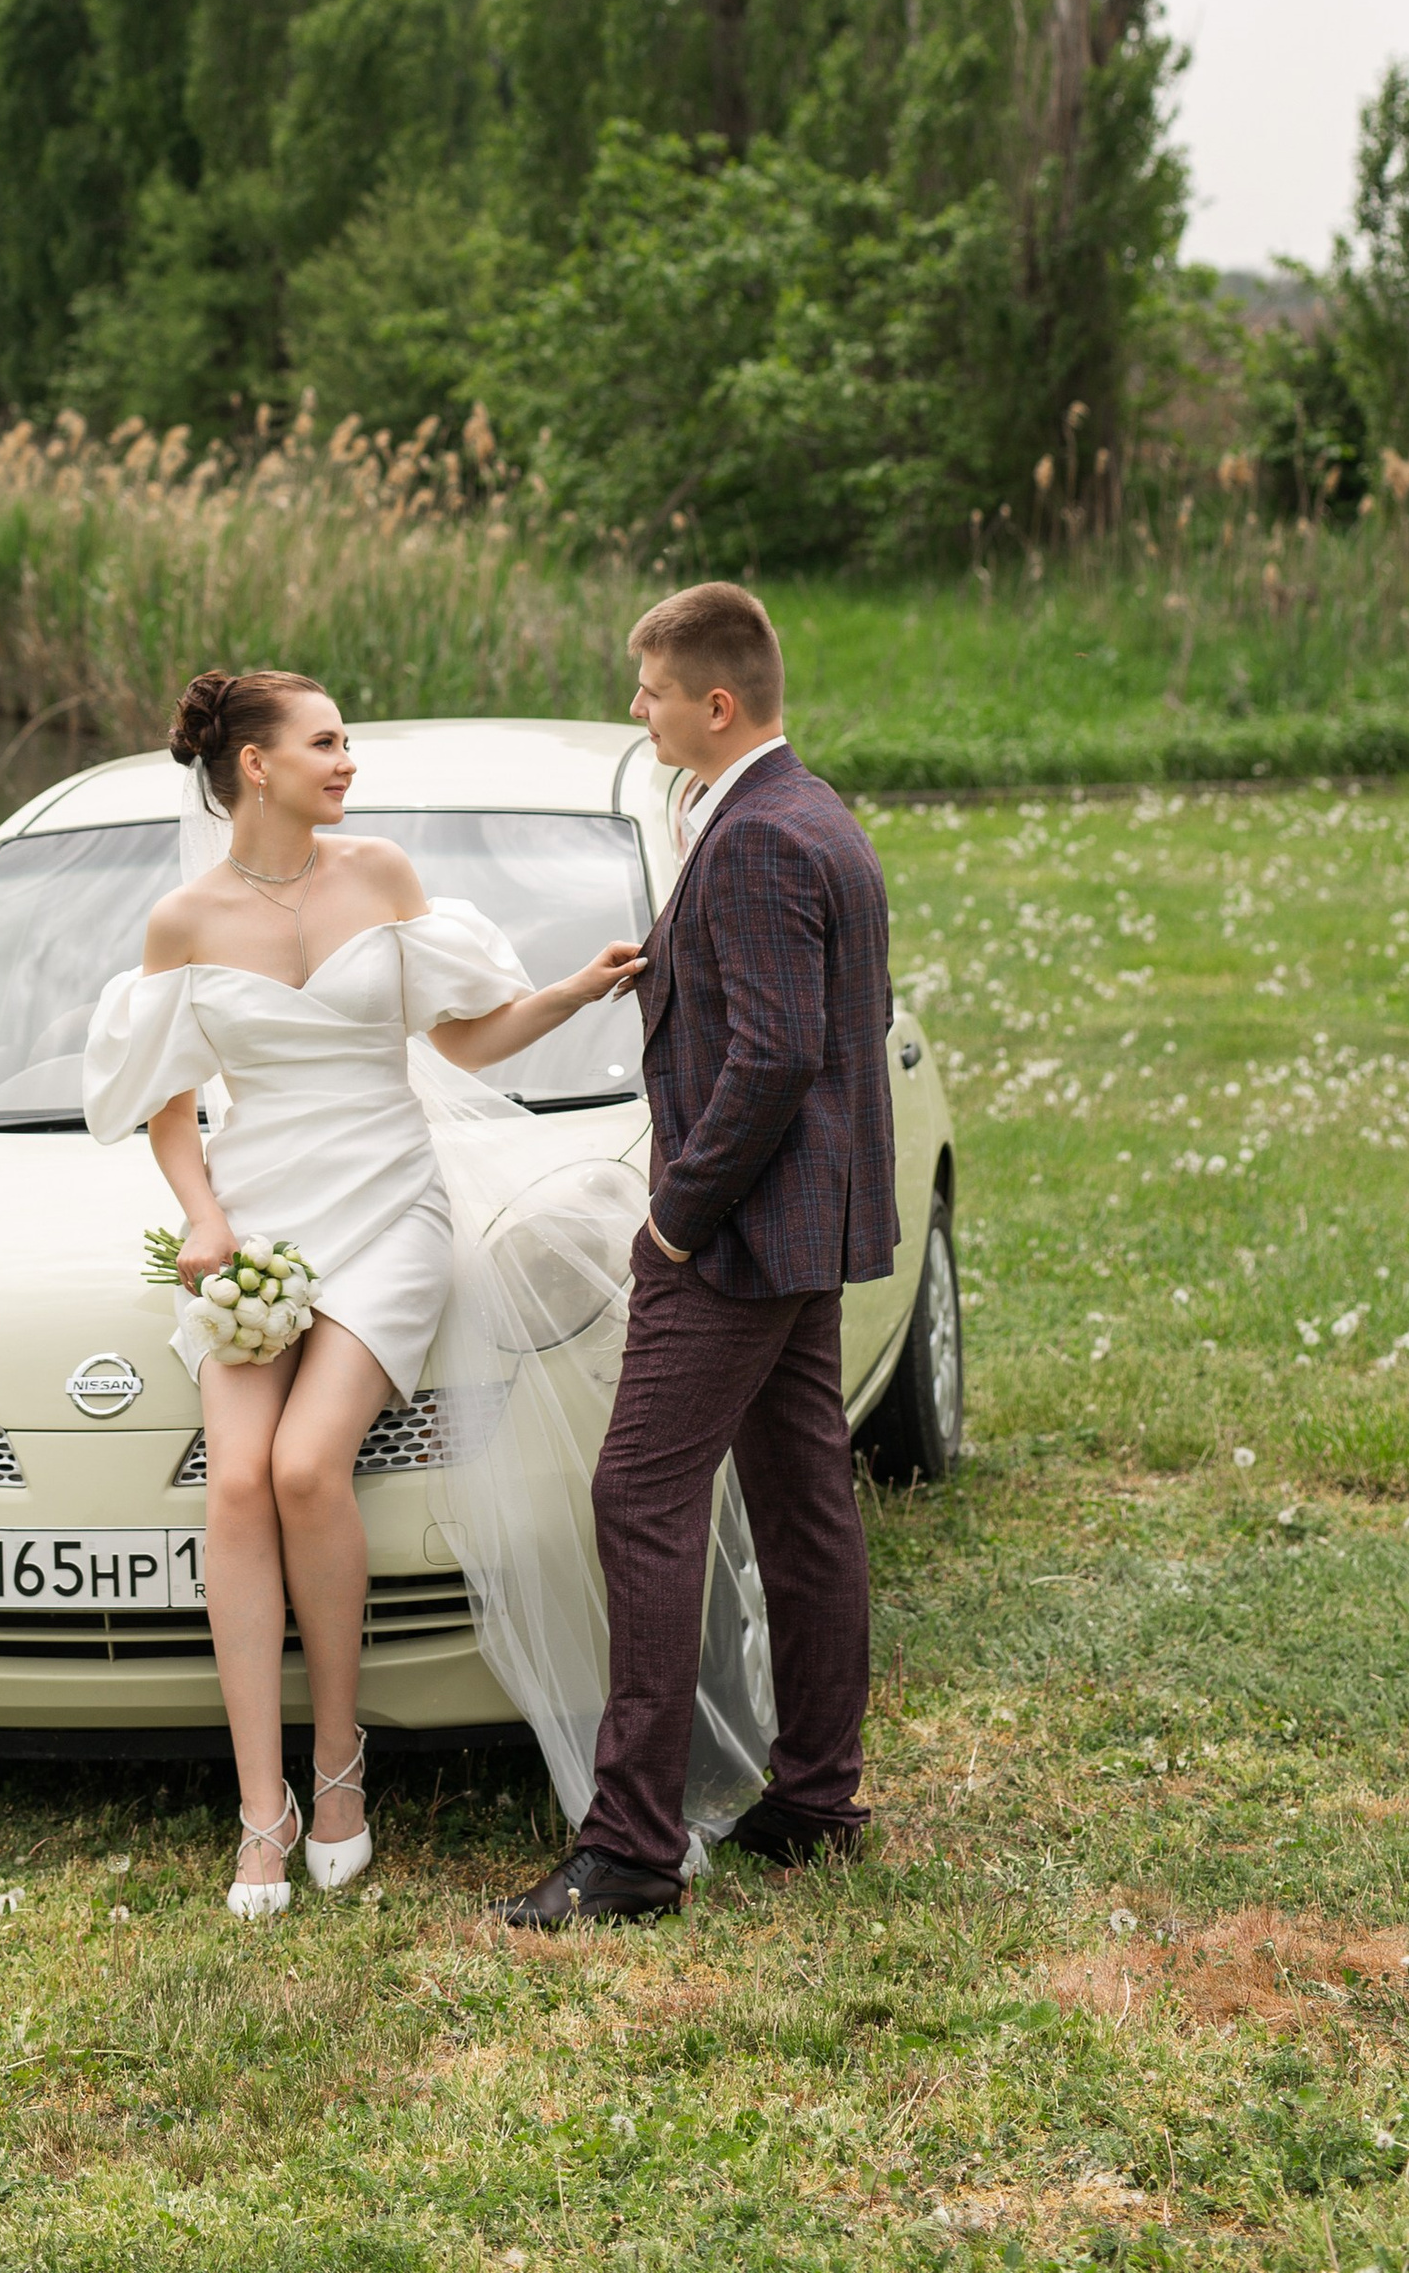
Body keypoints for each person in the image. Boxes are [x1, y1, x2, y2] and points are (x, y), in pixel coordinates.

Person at [82, 667, 640, 1919]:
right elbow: (169, 1105)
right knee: (233, 1481)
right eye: (326, 742)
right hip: (259, 1215)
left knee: (302, 1466)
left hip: (390, 1204)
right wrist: (209, 1222)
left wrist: (571, 990)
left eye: (348, 742)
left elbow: (465, 1038)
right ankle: (260, 1810)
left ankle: (341, 1771)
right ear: (255, 767)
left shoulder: (380, 875)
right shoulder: (180, 922)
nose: (347, 760)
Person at [501, 579, 897, 1926]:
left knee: (640, 1500)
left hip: (733, 1238)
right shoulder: (805, 810)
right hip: (801, 1233)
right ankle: (818, 1794)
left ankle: (629, 1852)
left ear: (715, 704)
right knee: (801, 1502)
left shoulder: (765, 839)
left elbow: (778, 1057)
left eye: (653, 691)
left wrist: (675, 1221)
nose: (638, 707)